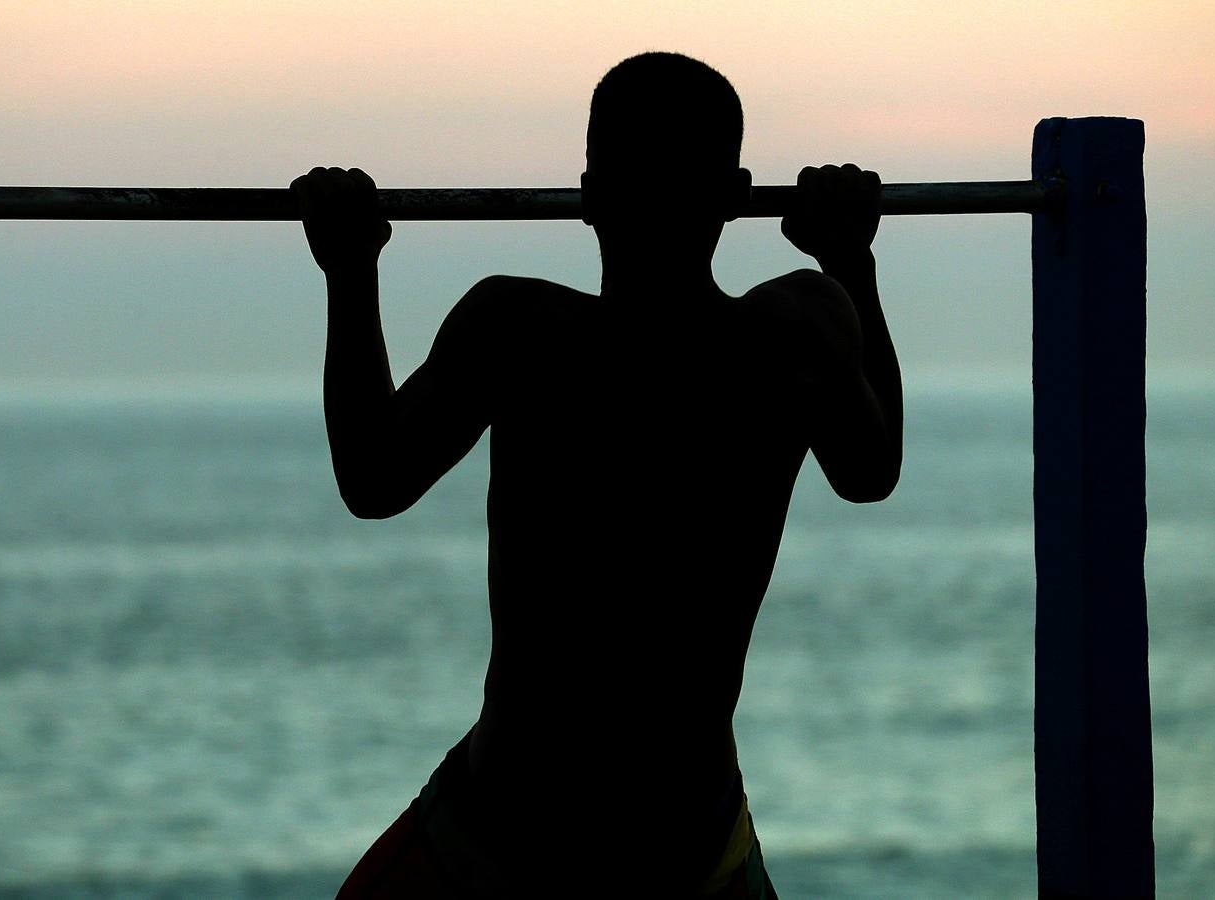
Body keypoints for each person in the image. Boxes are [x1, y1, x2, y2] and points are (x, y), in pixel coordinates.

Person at [293, 51, 902, 899]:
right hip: (688, 849)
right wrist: (851, 262)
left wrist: (351, 269)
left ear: (587, 195)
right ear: (734, 194)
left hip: (504, 841)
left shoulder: (519, 330)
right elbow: (872, 471)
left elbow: (371, 478)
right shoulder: (795, 333)